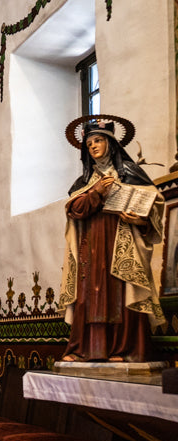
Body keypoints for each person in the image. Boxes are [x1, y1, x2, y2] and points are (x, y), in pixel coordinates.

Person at [60, 117, 165, 363]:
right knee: (89, 294)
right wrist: (97, 192)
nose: (93, 146)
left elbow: (154, 204)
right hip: (92, 243)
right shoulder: (85, 182)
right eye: (89, 144)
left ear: (111, 143)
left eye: (98, 140)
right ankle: (86, 349)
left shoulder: (130, 173)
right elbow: (74, 208)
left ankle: (124, 349)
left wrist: (139, 220)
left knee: (120, 290)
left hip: (121, 240)